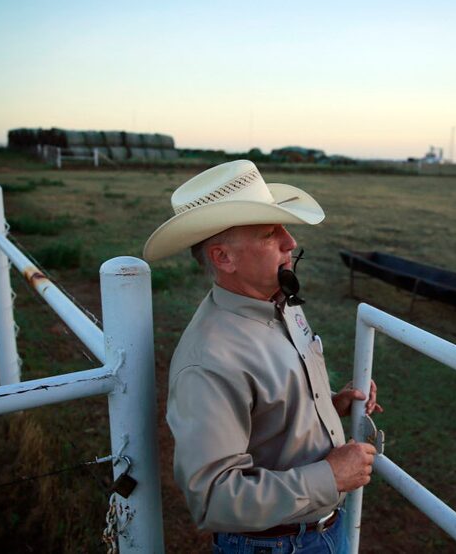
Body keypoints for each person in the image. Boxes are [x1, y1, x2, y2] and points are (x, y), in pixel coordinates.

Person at [143, 160, 382, 553]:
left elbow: (269, 405)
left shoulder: (278, 303)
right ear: (223, 258)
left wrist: (326, 405)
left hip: (317, 533)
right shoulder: (210, 360)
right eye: (271, 233)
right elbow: (213, 498)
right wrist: (330, 475)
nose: (290, 242)